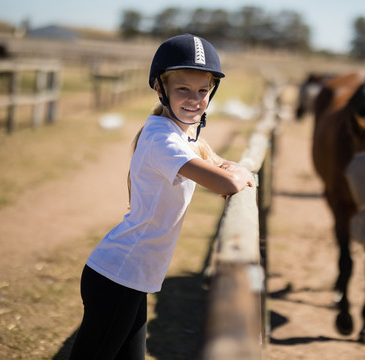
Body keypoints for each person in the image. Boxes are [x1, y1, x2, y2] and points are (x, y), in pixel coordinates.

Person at [69, 34, 253, 360]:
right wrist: (242, 174)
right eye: (183, 89)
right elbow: (226, 181)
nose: (195, 99)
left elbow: (218, 162)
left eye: (203, 90)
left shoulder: (178, 134)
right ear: (160, 89)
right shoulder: (163, 141)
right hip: (119, 275)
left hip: (133, 276)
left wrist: (232, 170)